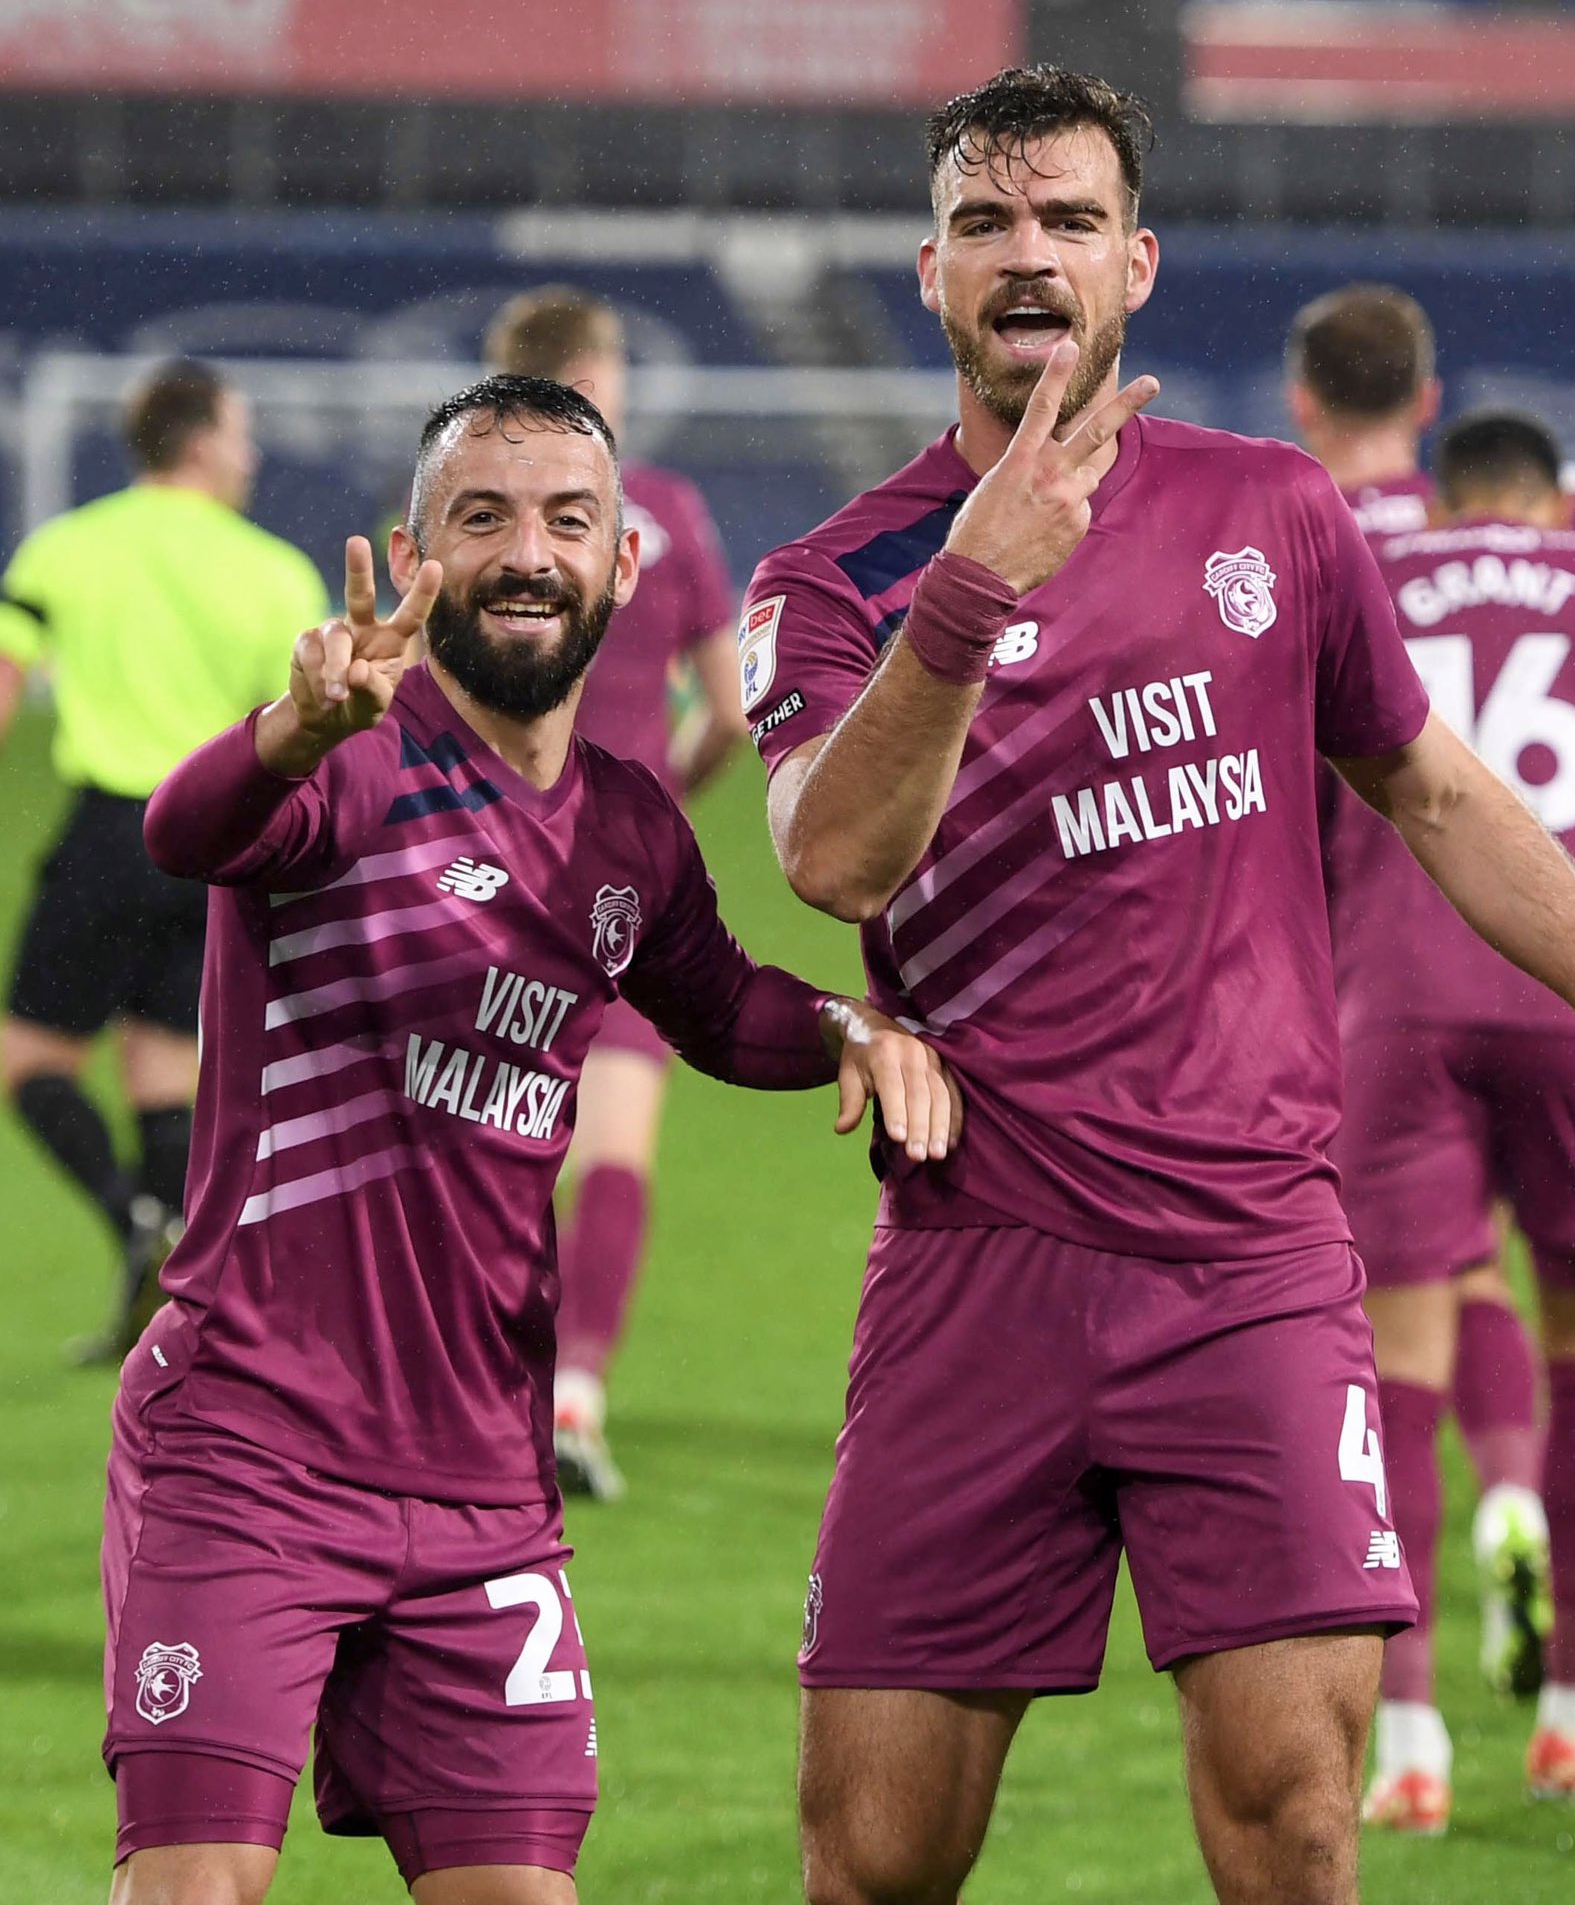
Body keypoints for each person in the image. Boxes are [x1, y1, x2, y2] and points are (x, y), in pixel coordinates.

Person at [739, 64, 1575, 1905]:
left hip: (1249, 1262)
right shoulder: (833, 577)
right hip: (974, 1266)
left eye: (1067, 218)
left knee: (1296, 1820)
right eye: (985, 221)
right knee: (873, 1856)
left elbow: (1440, 792)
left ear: (1133, 264)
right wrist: (968, 598)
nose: (1027, 252)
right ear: (928, 274)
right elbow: (830, 859)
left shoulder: (1273, 510)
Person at [105, 373, 957, 1904]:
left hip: (483, 1491)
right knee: (191, 1891)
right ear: (416, 555)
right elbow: (190, 833)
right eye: (481, 517)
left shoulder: (628, 829)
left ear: (626, 560)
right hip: (251, 1448)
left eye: (569, 519)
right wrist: (292, 727)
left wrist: (851, 1029)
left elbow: (722, 1004)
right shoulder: (360, 760)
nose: (527, 552)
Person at [1326, 407, 1575, 1829]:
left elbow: (1321, 808)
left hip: (1396, 997)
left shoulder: (1378, 575)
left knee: (1397, 1357)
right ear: (1553, 500)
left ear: (1442, 497)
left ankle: (1404, 1744)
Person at [1286, 284, 1551, 1697]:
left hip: (1341, 971)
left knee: (1385, 1303)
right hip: (1497, 940)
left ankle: (1404, 1705)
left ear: (1302, 402)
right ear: (1428, 400)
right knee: (1474, 1256)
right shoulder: (1485, 547)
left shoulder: (1297, 541)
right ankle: (1514, 1492)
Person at [0, 357, 327, 1360]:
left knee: (29, 1057)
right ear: (198, 442)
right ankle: (164, 1300)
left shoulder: (69, 546)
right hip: (220, 841)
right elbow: (311, 725)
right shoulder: (276, 571)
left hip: (108, 832)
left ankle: (132, 1222)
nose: (252, 452)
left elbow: (6, 676)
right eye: (240, 432)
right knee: (164, 1065)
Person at [485, 286, 743, 1499]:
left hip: (486, 853)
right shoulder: (670, 513)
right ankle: (577, 1389)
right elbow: (732, 708)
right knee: (620, 1136)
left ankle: (463, 1392)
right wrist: (666, 795)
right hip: (624, 872)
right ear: (597, 375)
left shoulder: (469, 516)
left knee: (477, 1126)